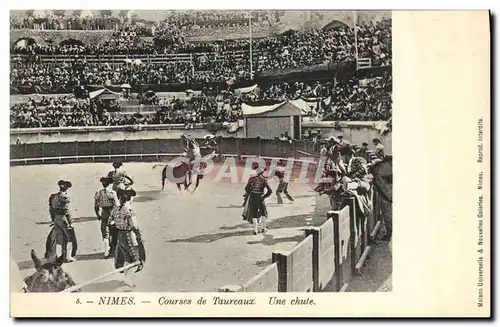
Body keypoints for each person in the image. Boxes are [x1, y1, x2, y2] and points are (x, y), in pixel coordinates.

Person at [111, 188, 145, 288]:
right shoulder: (129, 211)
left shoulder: (115, 210)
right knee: (137, 260)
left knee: (127, 258)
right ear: (129, 199)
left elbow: (110, 222)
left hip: (119, 236)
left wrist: (119, 224)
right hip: (130, 236)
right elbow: (135, 226)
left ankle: (127, 279)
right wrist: (139, 236)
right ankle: (127, 279)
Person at [46, 180, 76, 262]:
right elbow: (67, 211)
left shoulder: (53, 197)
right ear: (66, 189)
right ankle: (68, 257)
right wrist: (70, 222)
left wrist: (53, 220)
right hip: (63, 218)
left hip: (56, 218)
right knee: (70, 237)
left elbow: (51, 210)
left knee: (59, 238)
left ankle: (59, 258)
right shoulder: (64, 197)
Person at [242, 168, 272, 235]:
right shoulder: (264, 180)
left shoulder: (252, 179)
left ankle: (255, 230)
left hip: (252, 198)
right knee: (263, 213)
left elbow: (246, 188)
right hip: (260, 198)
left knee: (254, 214)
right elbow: (270, 191)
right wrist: (264, 196)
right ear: (261, 173)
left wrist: (251, 193)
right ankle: (263, 228)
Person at [94, 177, 119, 258]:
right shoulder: (112, 193)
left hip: (104, 213)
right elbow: (117, 205)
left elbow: (96, 206)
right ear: (110, 184)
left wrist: (98, 215)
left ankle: (106, 252)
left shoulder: (99, 193)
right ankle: (114, 250)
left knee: (105, 232)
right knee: (114, 231)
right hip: (112, 212)